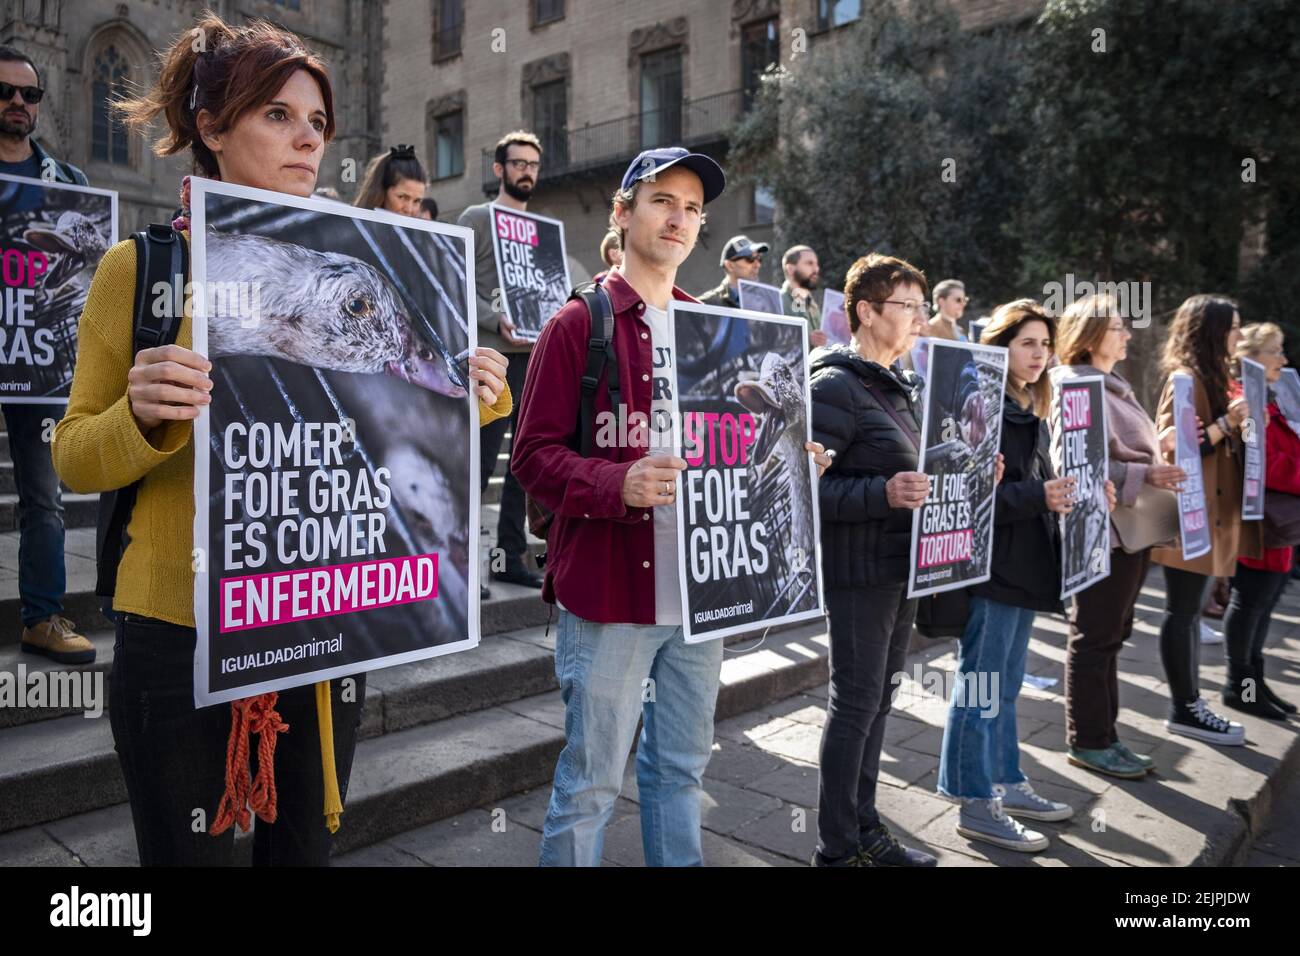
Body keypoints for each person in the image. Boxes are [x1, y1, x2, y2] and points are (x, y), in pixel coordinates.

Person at [52, 14, 511, 866]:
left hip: (319, 625)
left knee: (302, 851)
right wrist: (142, 415)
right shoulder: (143, 269)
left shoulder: (364, 257)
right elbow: (75, 451)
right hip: (179, 631)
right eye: (277, 115)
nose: (308, 138)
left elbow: (398, 433)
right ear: (212, 128)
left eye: (318, 122)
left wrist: (480, 395)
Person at [513, 146, 828, 866]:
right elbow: (532, 458)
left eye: (692, 208)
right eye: (662, 200)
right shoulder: (578, 323)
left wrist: (790, 455)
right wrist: (614, 484)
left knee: (681, 771)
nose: (678, 218)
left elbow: (740, 444)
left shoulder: (719, 334)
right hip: (609, 595)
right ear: (623, 214)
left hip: (699, 599)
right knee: (591, 784)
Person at [938, 300, 1113, 853]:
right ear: (1001, 346)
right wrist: (1040, 494)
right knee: (980, 688)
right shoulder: (981, 406)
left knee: (1006, 687)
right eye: (1027, 344)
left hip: (1023, 568)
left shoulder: (1027, 406)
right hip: (988, 569)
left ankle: (1007, 782)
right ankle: (972, 800)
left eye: (1044, 344)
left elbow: (1031, 482)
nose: (1039, 355)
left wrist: (1082, 490)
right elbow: (965, 494)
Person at [808, 253, 941, 867]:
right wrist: (882, 494)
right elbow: (802, 490)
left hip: (899, 568)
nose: (919, 317)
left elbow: (907, 471)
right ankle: (837, 850)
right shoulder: (834, 385)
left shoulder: (900, 384)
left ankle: (866, 831)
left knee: (878, 702)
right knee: (856, 704)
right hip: (858, 573)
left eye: (922, 306)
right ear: (865, 311)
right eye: (906, 305)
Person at [1050, 294, 1186, 779]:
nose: (1128, 335)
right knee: (1094, 637)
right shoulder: (1075, 385)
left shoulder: (1111, 384)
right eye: (1118, 328)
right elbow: (1074, 465)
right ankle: (1087, 740)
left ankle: (1107, 736)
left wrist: (1158, 453)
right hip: (1099, 531)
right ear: (1090, 336)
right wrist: (1145, 475)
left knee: (1111, 635)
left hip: (1129, 530)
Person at [0, 45, 94, 665]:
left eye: (29, 95)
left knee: (45, 497)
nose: (17, 103)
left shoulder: (68, 183)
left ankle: (43, 617)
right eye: (5, 92)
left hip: (36, 359)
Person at [1150, 295, 1260, 745]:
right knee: (1181, 612)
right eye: (1233, 327)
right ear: (1211, 331)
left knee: (1190, 613)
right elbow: (1175, 448)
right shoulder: (1185, 379)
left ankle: (1190, 702)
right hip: (1190, 514)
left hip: (1213, 513)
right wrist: (1227, 423)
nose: (1239, 335)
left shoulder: (1218, 376)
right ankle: (1184, 707)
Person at [459, 130, 546, 595]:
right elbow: (454, 278)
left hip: (533, 358)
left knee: (522, 464)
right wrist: (496, 316)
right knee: (480, 462)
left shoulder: (542, 233)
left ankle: (509, 556)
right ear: (499, 170)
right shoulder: (477, 217)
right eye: (518, 163)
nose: (526, 170)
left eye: (533, 164)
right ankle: (464, 563)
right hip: (491, 359)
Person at [1222, 322, 1297, 719]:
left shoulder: (1268, 396)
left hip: (1276, 523)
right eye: (1277, 351)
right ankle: (1241, 688)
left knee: (1263, 607)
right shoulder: (1245, 399)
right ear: (1252, 358)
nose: (1284, 360)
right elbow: (1266, 462)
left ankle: (1256, 683)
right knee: (1250, 603)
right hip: (1259, 521)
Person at [352, 143, 427, 217]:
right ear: (382, 192)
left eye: (417, 201)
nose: (409, 209)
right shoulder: (348, 227)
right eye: (402, 197)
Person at [697, 234, 768, 307]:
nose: (758, 265)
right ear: (729, 265)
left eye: (759, 259)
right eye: (750, 259)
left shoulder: (765, 302)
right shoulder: (707, 304)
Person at [779, 244, 826, 347]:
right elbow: (776, 343)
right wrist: (807, 341)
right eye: (809, 263)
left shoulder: (811, 304)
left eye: (816, 264)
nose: (816, 269)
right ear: (790, 269)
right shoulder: (780, 302)